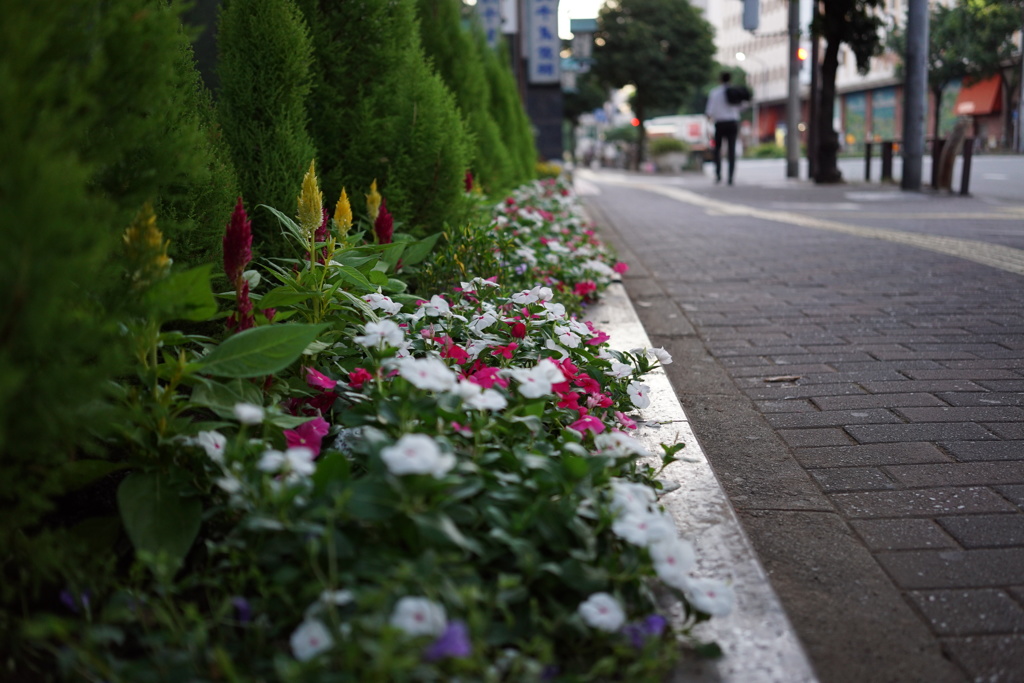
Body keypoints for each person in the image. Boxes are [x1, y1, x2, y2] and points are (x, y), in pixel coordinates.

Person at [705, 72, 742, 185]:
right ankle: (731, 177)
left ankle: (718, 175)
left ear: (720, 80)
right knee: (731, 150)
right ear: (730, 80)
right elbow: (743, 106)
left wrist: (709, 125)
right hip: (732, 123)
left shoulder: (715, 93)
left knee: (717, 150)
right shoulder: (735, 92)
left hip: (720, 124)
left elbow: (709, 112)